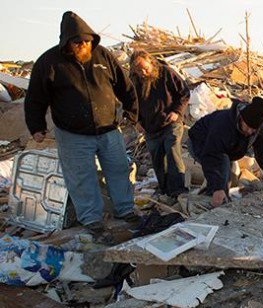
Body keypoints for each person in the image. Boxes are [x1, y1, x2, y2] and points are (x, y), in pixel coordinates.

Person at [24, 11, 139, 234]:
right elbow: (35, 98)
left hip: (108, 130)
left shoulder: (103, 56)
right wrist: (36, 127)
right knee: (81, 177)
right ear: (67, 42)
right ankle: (91, 219)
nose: (83, 46)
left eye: (87, 41)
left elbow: (125, 87)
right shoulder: (49, 62)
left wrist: (132, 114)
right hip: (72, 134)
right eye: (78, 42)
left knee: (118, 169)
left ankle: (125, 210)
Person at [188, 97, 263, 206]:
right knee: (222, 165)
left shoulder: (260, 130)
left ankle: (220, 195)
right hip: (200, 142)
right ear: (241, 119)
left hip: (226, 149)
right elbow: (212, 157)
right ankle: (215, 199)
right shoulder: (223, 125)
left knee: (227, 170)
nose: (249, 131)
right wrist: (218, 188)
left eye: (253, 130)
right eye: (248, 127)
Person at [129, 50, 190, 200]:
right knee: (157, 159)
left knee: (173, 152)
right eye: (138, 70)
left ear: (150, 62)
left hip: (171, 122)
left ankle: (178, 191)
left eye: (145, 68)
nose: (143, 72)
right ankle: (164, 190)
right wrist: (136, 121)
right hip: (150, 126)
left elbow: (184, 92)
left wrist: (177, 112)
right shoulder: (133, 80)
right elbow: (130, 104)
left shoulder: (166, 73)